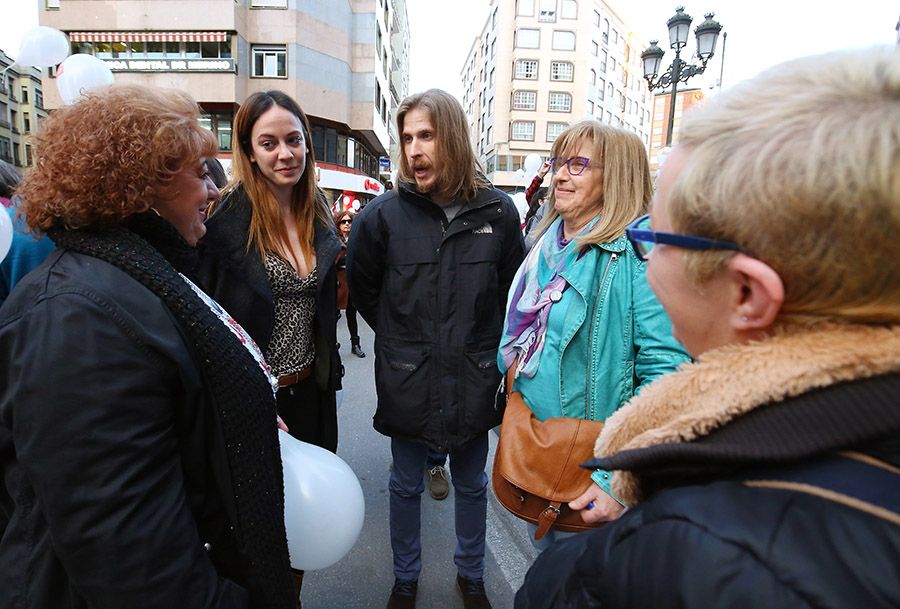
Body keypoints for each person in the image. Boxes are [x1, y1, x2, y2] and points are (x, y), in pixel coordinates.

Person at [515, 47, 900, 609]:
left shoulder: (686, 551)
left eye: (657, 238)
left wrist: (617, 488)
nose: (644, 257)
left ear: (747, 294)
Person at [0, 84, 295, 609]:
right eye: (200, 173)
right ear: (141, 186)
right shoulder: (75, 316)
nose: (211, 191)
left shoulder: (146, 272)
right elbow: (128, 555)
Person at [348, 88, 525, 609]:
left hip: (474, 376)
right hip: (409, 377)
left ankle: (471, 576)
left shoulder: (499, 211)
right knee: (405, 485)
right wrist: (404, 340)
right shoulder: (382, 217)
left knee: (472, 484)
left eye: (425, 135)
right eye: (407, 139)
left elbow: (511, 293)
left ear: (452, 137)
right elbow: (365, 290)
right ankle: (406, 578)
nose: (414, 149)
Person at [498, 121, 689, 547]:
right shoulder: (549, 243)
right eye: (559, 162)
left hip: (595, 474)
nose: (560, 175)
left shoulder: (640, 256)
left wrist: (619, 478)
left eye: (579, 164)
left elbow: (670, 379)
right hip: (545, 449)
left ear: (616, 175)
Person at [197, 90, 342, 453]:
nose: (285, 154)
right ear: (249, 153)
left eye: (294, 140)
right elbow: (205, 321)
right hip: (253, 397)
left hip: (312, 389)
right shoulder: (227, 221)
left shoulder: (320, 212)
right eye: (268, 143)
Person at [334, 208, 366, 358]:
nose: (347, 224)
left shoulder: (357, 239)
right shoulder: (334, 241)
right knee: (333, 316)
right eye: (343, 221)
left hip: (352, 282)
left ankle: (355, 344)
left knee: (351, 314)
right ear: (338, 224)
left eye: (349, 221)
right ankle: (332, 344)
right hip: (338, 283)